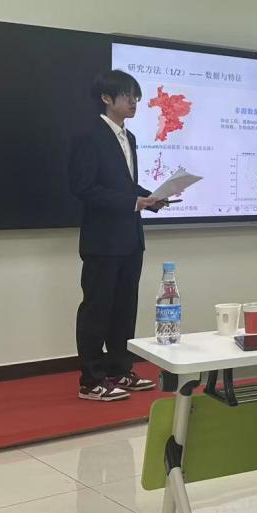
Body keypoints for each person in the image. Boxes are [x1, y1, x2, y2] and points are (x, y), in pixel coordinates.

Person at [69, 70, 169, 402]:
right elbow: (83, 188)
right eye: (127, 96)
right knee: (97, 309)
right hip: (102, 240)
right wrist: (132, 202)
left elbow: (124, 186)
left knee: (125, 308)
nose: (134, 102)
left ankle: (119, 370)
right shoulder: (89, 135)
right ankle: (91, 380)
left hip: (130, 238)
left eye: (136, 97)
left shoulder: (130, 137)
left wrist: (151, 198)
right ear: (106, 98)